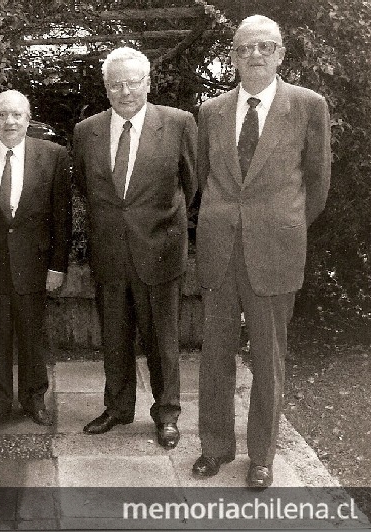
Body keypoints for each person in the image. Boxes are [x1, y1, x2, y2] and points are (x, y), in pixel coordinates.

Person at [194, 15, 330, 488]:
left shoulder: (308, 106)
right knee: (214, 354)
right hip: (219, 249)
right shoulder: (210, 111)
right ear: (232, 56)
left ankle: (261, 457)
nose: (253, 54)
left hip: (275, 249)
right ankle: (214, 447)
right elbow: (201, 178)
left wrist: (282, 224)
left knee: (270, 358)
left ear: (280, 54)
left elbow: (317, 184)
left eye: (264, 47)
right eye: (244, 48)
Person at [73, 47, 197, 449]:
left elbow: (192, 184)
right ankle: (118, 407)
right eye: (116, 84)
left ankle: (167, 414)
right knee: (114, 336)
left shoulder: (179, 123)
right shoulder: (87, 131)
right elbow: (87, 190)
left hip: (159, 250)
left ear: (148, 82)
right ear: (106, 88)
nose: (125, 91)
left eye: (133, 82)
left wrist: (161, 225)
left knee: (163, 340)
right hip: (110, 251)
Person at [0, 90, 71, 428]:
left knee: (33, 337)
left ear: (28, 118)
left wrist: (57, 265)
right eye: (2, 115)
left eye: (17, 115)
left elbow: (61, 218)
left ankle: (35, 399)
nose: (10, 121)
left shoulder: (53, 155)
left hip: (35, 266)